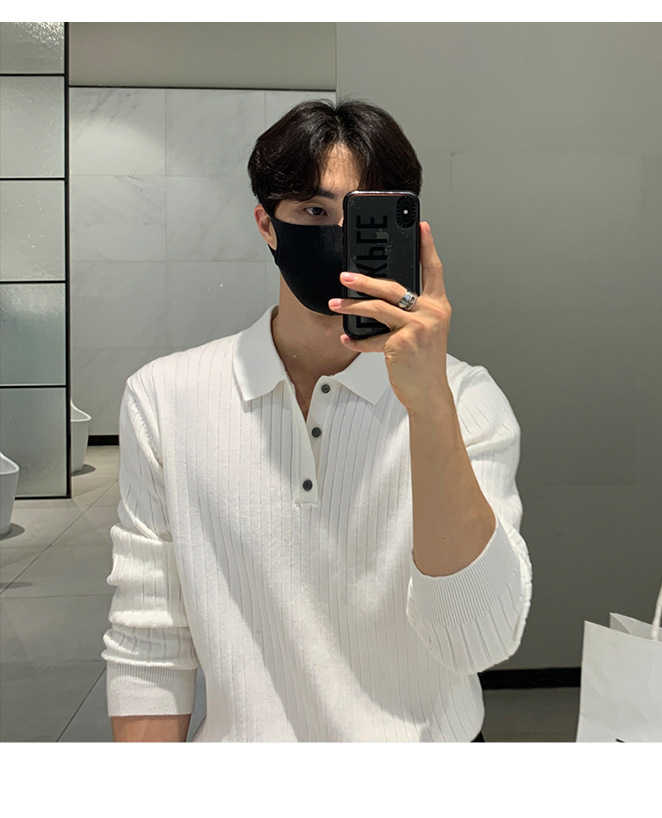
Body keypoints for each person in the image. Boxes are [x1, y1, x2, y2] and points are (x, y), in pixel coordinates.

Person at [103, 99, 532, 742]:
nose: (337, 236)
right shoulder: (164, 399)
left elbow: (479, 640)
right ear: (266, 224)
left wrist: (430, 407)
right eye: (313, 211)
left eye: (363, 216)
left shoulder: (466, 399)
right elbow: (150, 641)